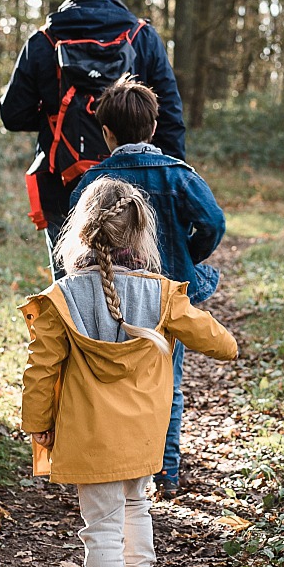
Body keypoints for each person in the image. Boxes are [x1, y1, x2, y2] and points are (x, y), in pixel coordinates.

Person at [19, 178, 237, 567]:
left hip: (88, 435)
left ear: (81, 232)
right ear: (140, 234)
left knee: (99, 526)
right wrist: (213, 333)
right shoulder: (161, 295)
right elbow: (221, 343)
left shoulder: (62, 298)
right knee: (137, 505)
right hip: (142, 435)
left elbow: (40, 368)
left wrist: (37, 423)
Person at [70, 75, 224, 495]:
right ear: (155, 127)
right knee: (167, 383)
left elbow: (78, 241)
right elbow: (213, 222)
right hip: (167, 296)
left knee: (111, 376)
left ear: (106, 132)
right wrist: (189, 256)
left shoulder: (92, 182)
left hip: (110, 294)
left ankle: (110, 463)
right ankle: (165, 472)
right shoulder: (179, 176)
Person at [0, 0, 185, 273]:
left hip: (64, 186)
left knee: (70, 288)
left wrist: (54, 115)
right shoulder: (142, 37)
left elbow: (12, 114)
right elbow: (169, 116)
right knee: (140, 285)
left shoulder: (44, 41)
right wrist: (172, 180)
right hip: (135, 190)